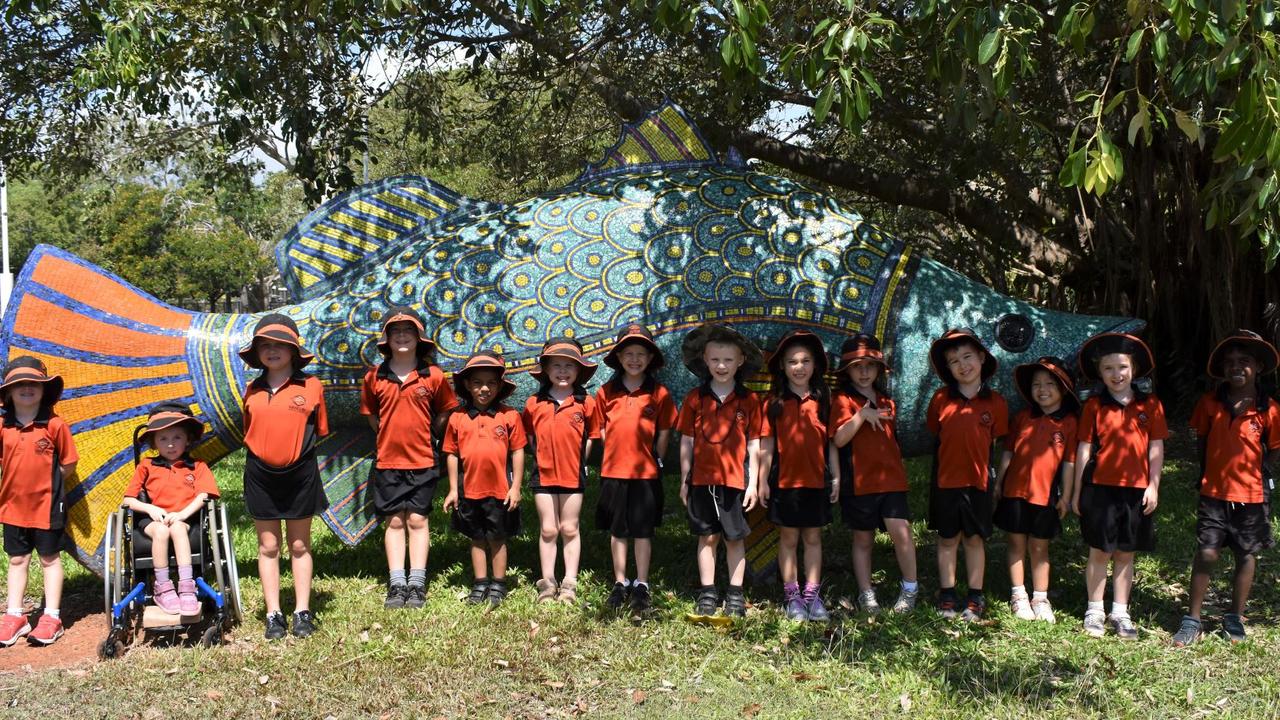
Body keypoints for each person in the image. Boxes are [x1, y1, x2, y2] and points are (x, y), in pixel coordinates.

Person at [1172, 330, 1279, 646]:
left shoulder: (1269, 408)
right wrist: (1206, 473)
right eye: (1230, 362)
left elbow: (1274, 446)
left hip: (1252, 494)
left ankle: (1235, 617)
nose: (1236, 367)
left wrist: (1264, 471)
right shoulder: (1209, 403)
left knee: (1246, 554)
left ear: (1258, 366)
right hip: (1214, 493)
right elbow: (1202, 440)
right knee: (1207, 551)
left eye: (1244, 361)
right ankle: (1192, 619)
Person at [239, 314, 330, 639]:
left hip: (300, 474)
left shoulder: (311, 386)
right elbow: (248, 430)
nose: (273, 351)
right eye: (265, 345)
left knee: (300, 544)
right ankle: (273, 613)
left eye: (280, 345)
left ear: (294, 350)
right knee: (268, 545)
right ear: (257, 352)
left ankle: (302, 612)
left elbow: (318, 430)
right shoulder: (252, 388)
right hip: (260, 474)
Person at [360, 307, 457, 610]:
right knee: (394, 522)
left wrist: (431, 433)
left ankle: (416, 582)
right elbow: (372, 415)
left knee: (417, 519)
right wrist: (387, 435)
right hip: (388, 461)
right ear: (386, 338)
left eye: (408, 330)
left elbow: (445, 409)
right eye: (395, 331)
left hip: (423, 460)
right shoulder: (374, 376)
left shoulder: (434, 376)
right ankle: (396, 582)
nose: (402, 336)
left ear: (419, 337)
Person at [1072, 332, 1166, 640]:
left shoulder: (1150, 405)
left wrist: (1153, 485)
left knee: (1126, 552)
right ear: (1100, 373)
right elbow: (1084, 448)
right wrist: (1076, 491)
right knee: (1099, 550)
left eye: (1122, 367)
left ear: (1134, 370)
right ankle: (1095, 610)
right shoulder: (1094, 406)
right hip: (1099, 488)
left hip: (1136, 489)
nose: (1116, 374)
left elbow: (1155, 448)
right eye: (1109, 368)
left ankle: (1121, 612)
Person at [677, 323, 765, 619]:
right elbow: (687, 442)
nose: (722, 365)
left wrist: (752, 483)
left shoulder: (750, 400)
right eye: (715, 359)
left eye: (728, 360)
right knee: (707, 537)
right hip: (701, 480)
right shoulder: (694, 398)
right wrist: (684, 479)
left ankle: (735, 595)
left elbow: (755, 444)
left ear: (740, 361)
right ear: (705, 359)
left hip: (735, 481)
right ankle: (708, 592)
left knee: (734, 538)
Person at [829, 333, 919, 615]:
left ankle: (910, 588)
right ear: (847, 371)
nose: (864, 371)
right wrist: (861, 416)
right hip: (859, 482)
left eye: (870, 364)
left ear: (880, 368)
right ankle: (866, 593)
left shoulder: (886, 401)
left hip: (891, 479)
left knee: (901, 533)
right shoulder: (843, 400)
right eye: (857, 366)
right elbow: (839, 439)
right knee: (863, 539)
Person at [925, 328, 1008, 621]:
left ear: (982, 358)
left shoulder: (995, 403)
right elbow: (937, 432)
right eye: (954, 360)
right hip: (946, 481)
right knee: (948, 539)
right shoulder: (940, 399)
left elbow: (994, 442)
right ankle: (947, 594)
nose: (963, 365)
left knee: (974, 539)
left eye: (967, 356)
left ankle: (975, 596)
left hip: (978, 483)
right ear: (947, 368)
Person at [594, 324, 677, 613]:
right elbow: (601, 428)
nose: (634, 359)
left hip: (645, 473)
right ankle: (620, 581)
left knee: (642, 530)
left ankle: (642, 583)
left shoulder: (659, 393)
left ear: (650, 358)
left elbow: (665, 430)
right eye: (628, 353)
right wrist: (611, 453)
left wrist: (658, 458)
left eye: (640, 353)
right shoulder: (606, 392)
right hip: (614, 472)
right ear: (618, 358)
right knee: (618, 530)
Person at [992, 357, 1078, 624]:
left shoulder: (1070, 423)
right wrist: (999, 483)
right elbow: (1008, 452)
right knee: (1016, 542)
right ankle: (1018, 595)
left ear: (1063, 388)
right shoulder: (1022, 418)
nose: (1042, 389)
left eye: (1049, 384)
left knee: (1039, 547)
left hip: (1045, 496)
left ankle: (1040, 598)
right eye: (1036, 384)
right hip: (1015, 491)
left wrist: (1066, 496)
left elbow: (1070, 463)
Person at [0, 357, 77, 646]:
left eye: (34, 383)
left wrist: (49, 483)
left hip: (47, 507)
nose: (27, 388)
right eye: (19, 384)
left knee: (49, 559)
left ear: (45, 390)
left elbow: (68, 464)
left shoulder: (55, 426)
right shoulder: (3, 426)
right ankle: (15, 615)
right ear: (8, 393)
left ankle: (52, 617)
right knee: (17, 559)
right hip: (11, 506)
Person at [758, 329, 834, 622]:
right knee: (789, 538)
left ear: (815, 365)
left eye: (805, 361)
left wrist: (836, 477)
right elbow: (766, 446)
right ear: (782, 366)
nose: (799, 367)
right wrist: (763, 480)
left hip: (816, 482)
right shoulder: (774, 402)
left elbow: (831, 443)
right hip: (785, 482)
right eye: (792, 362)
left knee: (813, 538)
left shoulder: (823, 399)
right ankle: (792, 596)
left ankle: (813, 595)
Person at [442, 352, 527, 607]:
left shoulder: (509, 415)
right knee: (476, 537)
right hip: (470, 490)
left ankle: (498, 584)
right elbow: (451, 453)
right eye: (478, 382)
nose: (484, 388)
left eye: (491, 382)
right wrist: (452, 490)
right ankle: (480, 582)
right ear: (467, 385)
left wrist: (515, 487)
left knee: (497, 538)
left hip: (500, 491)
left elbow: (518, 451)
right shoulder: (457, 417)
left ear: (499, 386)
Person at [122, 403, 219, 616]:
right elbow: (129, 500)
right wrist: (149, 508)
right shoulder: (146, 466)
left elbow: (204, 496)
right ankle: (163, 586)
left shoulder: (198, 466)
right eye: (163, 439)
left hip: (183, 518)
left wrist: (182, 514)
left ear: (188, 440)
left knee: (176, 529)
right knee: (162, 530)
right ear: (154, 442)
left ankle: (186, 586)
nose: (171, 445)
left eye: (177, 438)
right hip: (151, 520)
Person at [523, 338, 600, 604]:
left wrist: (581, 462)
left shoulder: (585, 402)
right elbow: (530, 436)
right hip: (543, 474)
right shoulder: (534, 402)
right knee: (548, 529)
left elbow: (592, 435)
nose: (562, 371)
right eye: (556, 365)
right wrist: (540, 456)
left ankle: (569, 581)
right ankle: (547, 581)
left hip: (572, 474)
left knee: (569, 527)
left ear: (579, 371)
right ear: (546, 370)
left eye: (569, 365)